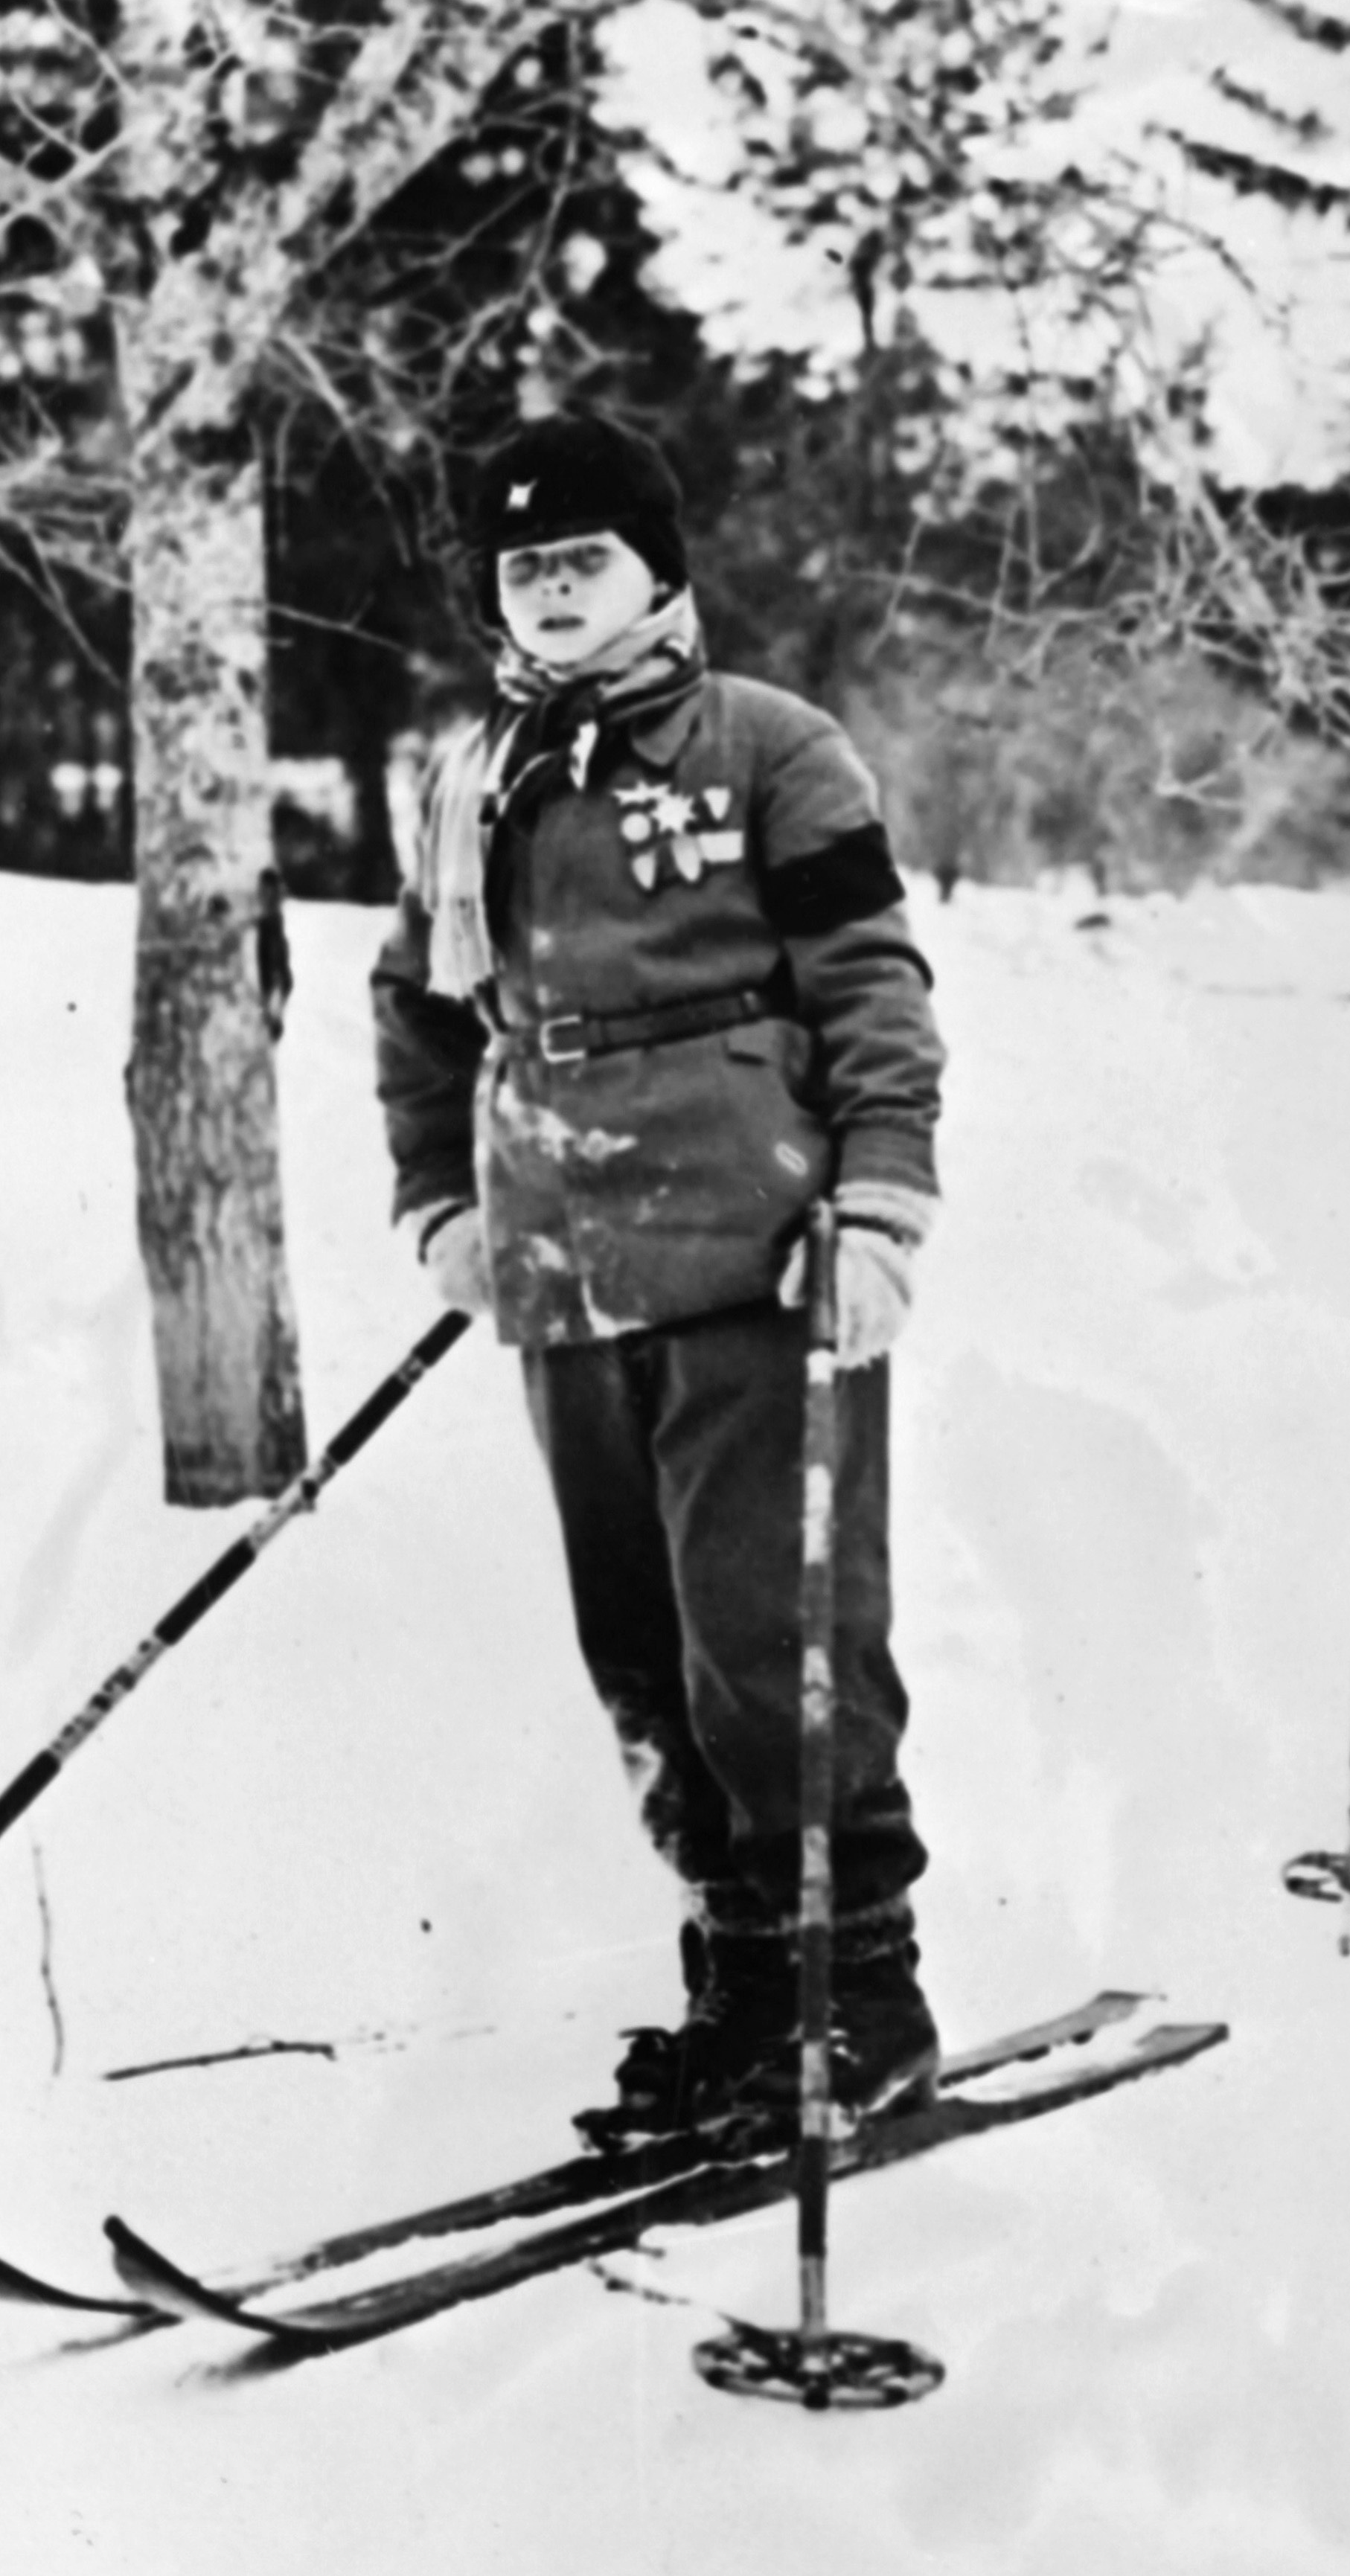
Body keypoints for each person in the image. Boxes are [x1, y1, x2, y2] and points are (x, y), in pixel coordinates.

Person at [371, 411, 947, 2142]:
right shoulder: (466, 780)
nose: (551, 594)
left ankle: (861, 1997)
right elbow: (412, 1015)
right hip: (556, 1266)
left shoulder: (772, 746)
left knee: (775, 1640)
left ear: (659, 570)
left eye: (583, 562)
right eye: (523, 569)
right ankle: (741, 1986)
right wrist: (437, 1210)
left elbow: (869, 984)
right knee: (639, 1655)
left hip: (759, 1251)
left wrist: (886, 1206)